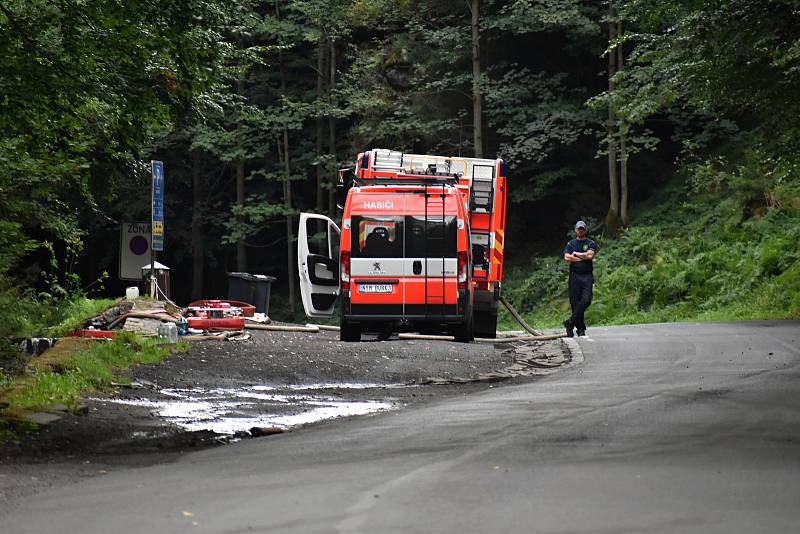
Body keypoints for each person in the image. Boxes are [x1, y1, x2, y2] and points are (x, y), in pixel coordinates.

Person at [563, 220, 598, 337]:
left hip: (587, 276)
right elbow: (567, 257)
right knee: (575, 302)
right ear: (575, 230)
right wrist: (582, 257)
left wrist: (576, 254)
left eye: (582, 229)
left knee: (586, 300)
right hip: (574, 276)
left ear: (585, 230)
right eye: (579, 229)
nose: (581, 231)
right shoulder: (570, 244)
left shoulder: (591, 243)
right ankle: (580, 328)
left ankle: (570, 322)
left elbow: (590, 255)